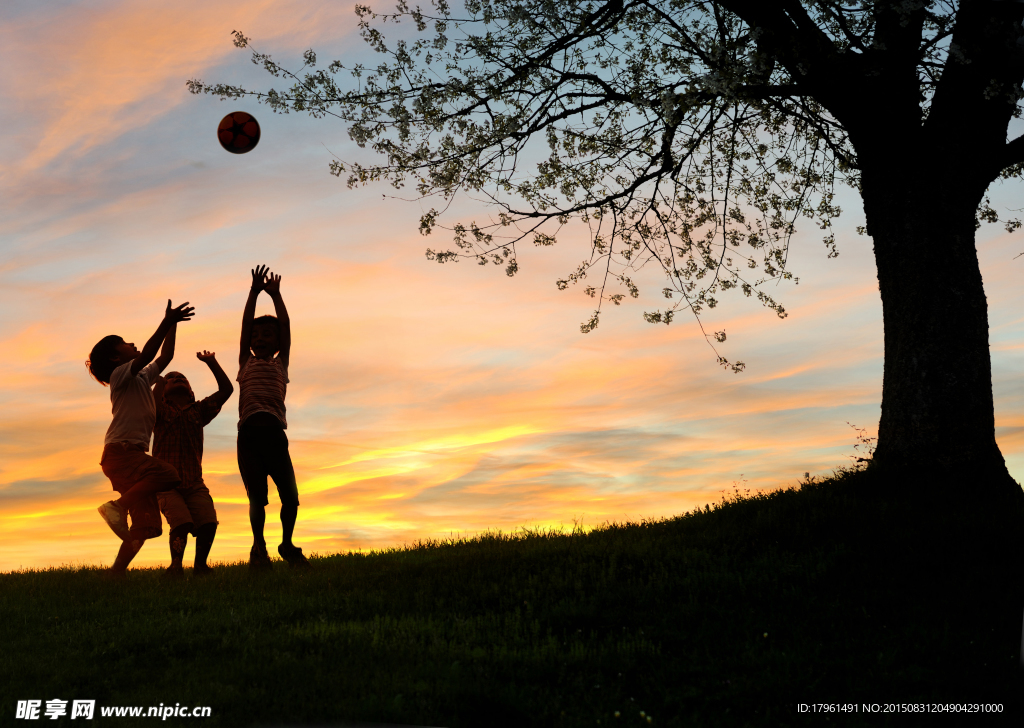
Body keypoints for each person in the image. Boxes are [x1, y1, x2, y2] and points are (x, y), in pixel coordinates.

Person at [86, 299, 194, 575]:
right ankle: (116, 507)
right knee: (169, 474)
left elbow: (164, 357)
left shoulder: (142, 378)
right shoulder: (120, 375)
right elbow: (148, 352)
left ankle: (116, 574)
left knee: (147, 526)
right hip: (122, 453)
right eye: (124, 343)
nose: (131, 344)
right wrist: (166, 321)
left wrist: (173, 326)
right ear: (115, 358)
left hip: (128, 457)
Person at [237, 265, 308, 569]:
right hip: (249, 438)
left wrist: (276, 295)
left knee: (290, 497)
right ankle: (258, 547)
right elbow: (243, 327)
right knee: (257, 498)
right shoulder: (245, 362)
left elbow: (287, 326)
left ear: (278, 343)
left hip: (276, 437)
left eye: (268, 334)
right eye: (257, 335)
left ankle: (287, 543)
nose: (260, 338)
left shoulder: (282, 364)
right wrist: (254, 292)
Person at [152, 350, 233, 577]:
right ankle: (175, 565)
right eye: (170, 378)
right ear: (163, 392)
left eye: (182, 378)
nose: (176, 378)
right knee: (181, 523)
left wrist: (212, 362)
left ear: (191, 392)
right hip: (166, 483)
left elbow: (226, 390)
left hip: (194, 482)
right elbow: (150, 402)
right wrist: (158, 380)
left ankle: (200, 565)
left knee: (208, 521)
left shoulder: (199, 410)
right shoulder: (159, 410)